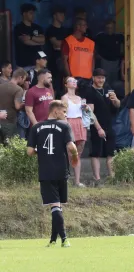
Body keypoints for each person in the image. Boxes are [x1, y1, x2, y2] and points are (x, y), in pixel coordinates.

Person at [26, 100, 79, 248]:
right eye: (64, 112)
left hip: (46, 171)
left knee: (55, 205)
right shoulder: (64, 126)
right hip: (62, 170)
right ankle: (53, 240)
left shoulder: (36, 127)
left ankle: (64, 239)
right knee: (57, 206)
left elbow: (29, 151)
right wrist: (75, 157)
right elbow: (71, 146)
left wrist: (40, 152)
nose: (65, 115)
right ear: (55, 111)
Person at [85, 69, 121, 184]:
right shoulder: (89, 91)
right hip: (96, 126)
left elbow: (118, 105)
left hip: (109, 124)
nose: (101, 80)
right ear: (93, 78)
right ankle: (97, 178)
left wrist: (115, 99)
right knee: (96, 153)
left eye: (103, 78)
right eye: (98, 77)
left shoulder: (108, 89)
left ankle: (112, 177)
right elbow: (90, 112)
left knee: (111, 152)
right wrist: (98, 128)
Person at [61, 77, 87, 187]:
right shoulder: (64, 98)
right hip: (70, 122)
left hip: (80, 123)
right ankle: (65, 177)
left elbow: (85, 113)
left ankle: (77, 181)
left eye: (75, 81)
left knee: (78, 152)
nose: (74, 82)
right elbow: (64, 113)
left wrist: (85, 108)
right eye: (71, 81)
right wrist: (67, 126)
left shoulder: (80, 97)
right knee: (68, 151)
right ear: (66, 84)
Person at [62, 18, 96, 94]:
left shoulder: (90, 42)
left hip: (88, 79)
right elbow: (64, 60)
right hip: (74, 78)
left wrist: (91, 75)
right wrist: (70, 77)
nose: (86, 27)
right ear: (78, 26)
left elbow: (92, 60)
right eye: (84, 25)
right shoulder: (68, 41)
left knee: (86, 102)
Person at [14, 3, 45, 70]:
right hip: (24, 65)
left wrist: (31, 37)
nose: (33, 15)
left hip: (37, 64)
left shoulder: (37, 27)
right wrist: (38, 42)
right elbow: (26, 41)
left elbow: (43, 40)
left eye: (33, 13)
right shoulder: (19, 28)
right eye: (31, 13)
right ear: (24, 14)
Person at [45, 6, 68, 94]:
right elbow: (56, 44)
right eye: (60, 13)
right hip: (53, 62)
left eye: (64, 14)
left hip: (65, 61)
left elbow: (68, 44)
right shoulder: (50, 30)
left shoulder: (65, 30)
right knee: (55, 84)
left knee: (64, 84)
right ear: (54, 15)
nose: (63, 16)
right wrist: (63, 44)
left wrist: (62, 44)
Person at [0, 68, 27, 143]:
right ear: (20, 77)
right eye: (24, 79)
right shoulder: (18, 89)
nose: (24, 81)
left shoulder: (1, 86)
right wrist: (25, 104)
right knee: (9, 148)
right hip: (10, 122)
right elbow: (17, 106)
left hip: (0, 121)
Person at [95, 20, 124, 85]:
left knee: (115, 80)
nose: (109, 29)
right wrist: (97, 55)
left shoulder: (119, 36)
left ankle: (113, 94)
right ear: (105, 28)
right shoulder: (100, 36)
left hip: (116, 62)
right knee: (105, 79)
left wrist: (122, 57)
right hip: (104, 61)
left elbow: (125, 46)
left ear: (114, 28)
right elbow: (94, 47)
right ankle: (105, 93)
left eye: (111, 28)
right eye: (108, 28)